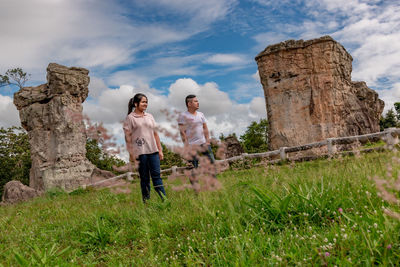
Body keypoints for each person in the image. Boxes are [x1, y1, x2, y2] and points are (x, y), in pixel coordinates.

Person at [123, 93, 166, 202]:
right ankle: (147, 203)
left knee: (157, 177)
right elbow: (128, 138)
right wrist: (131, 155)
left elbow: (155, 134)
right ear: (136, 104)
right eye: (143, 102)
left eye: (146, 102)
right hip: (140, 153)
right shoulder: (130, 118)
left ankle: (164, 200)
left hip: (153, 151)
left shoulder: (150, 116)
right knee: (145, 179)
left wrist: (160, 150)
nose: (145, 104)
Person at [178, 95, 216, 183]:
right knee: (193, 168)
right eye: (195, 101)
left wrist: (207, 141)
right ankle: (195, 187)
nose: (198, 102)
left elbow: (205, 128)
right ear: (189, 104)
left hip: (204, 143)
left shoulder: (201, 114)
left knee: (212, 163)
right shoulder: (183, 116)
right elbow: (182, 132)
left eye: (197, 101)